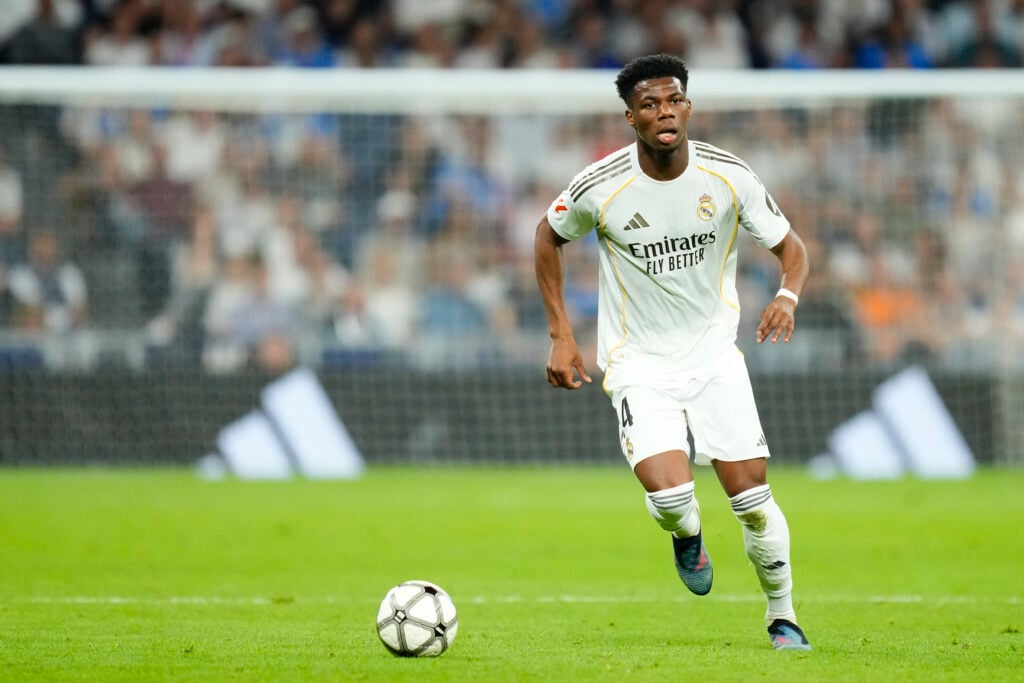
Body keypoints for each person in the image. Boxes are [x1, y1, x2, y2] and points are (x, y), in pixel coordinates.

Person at [534, 54, 812, 651]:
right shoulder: (601, 186)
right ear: (631, 117)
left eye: (673, 100)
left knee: (754, 503)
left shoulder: (729, 175)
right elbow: (546, 236)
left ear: (688, 106)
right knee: (669, 498)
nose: (665, 112)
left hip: (714, 359)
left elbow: (793, 248)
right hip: (639, 365)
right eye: (650, 104)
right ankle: (685, 535)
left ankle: (783, 615)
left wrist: (787, 296)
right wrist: (561, 332)